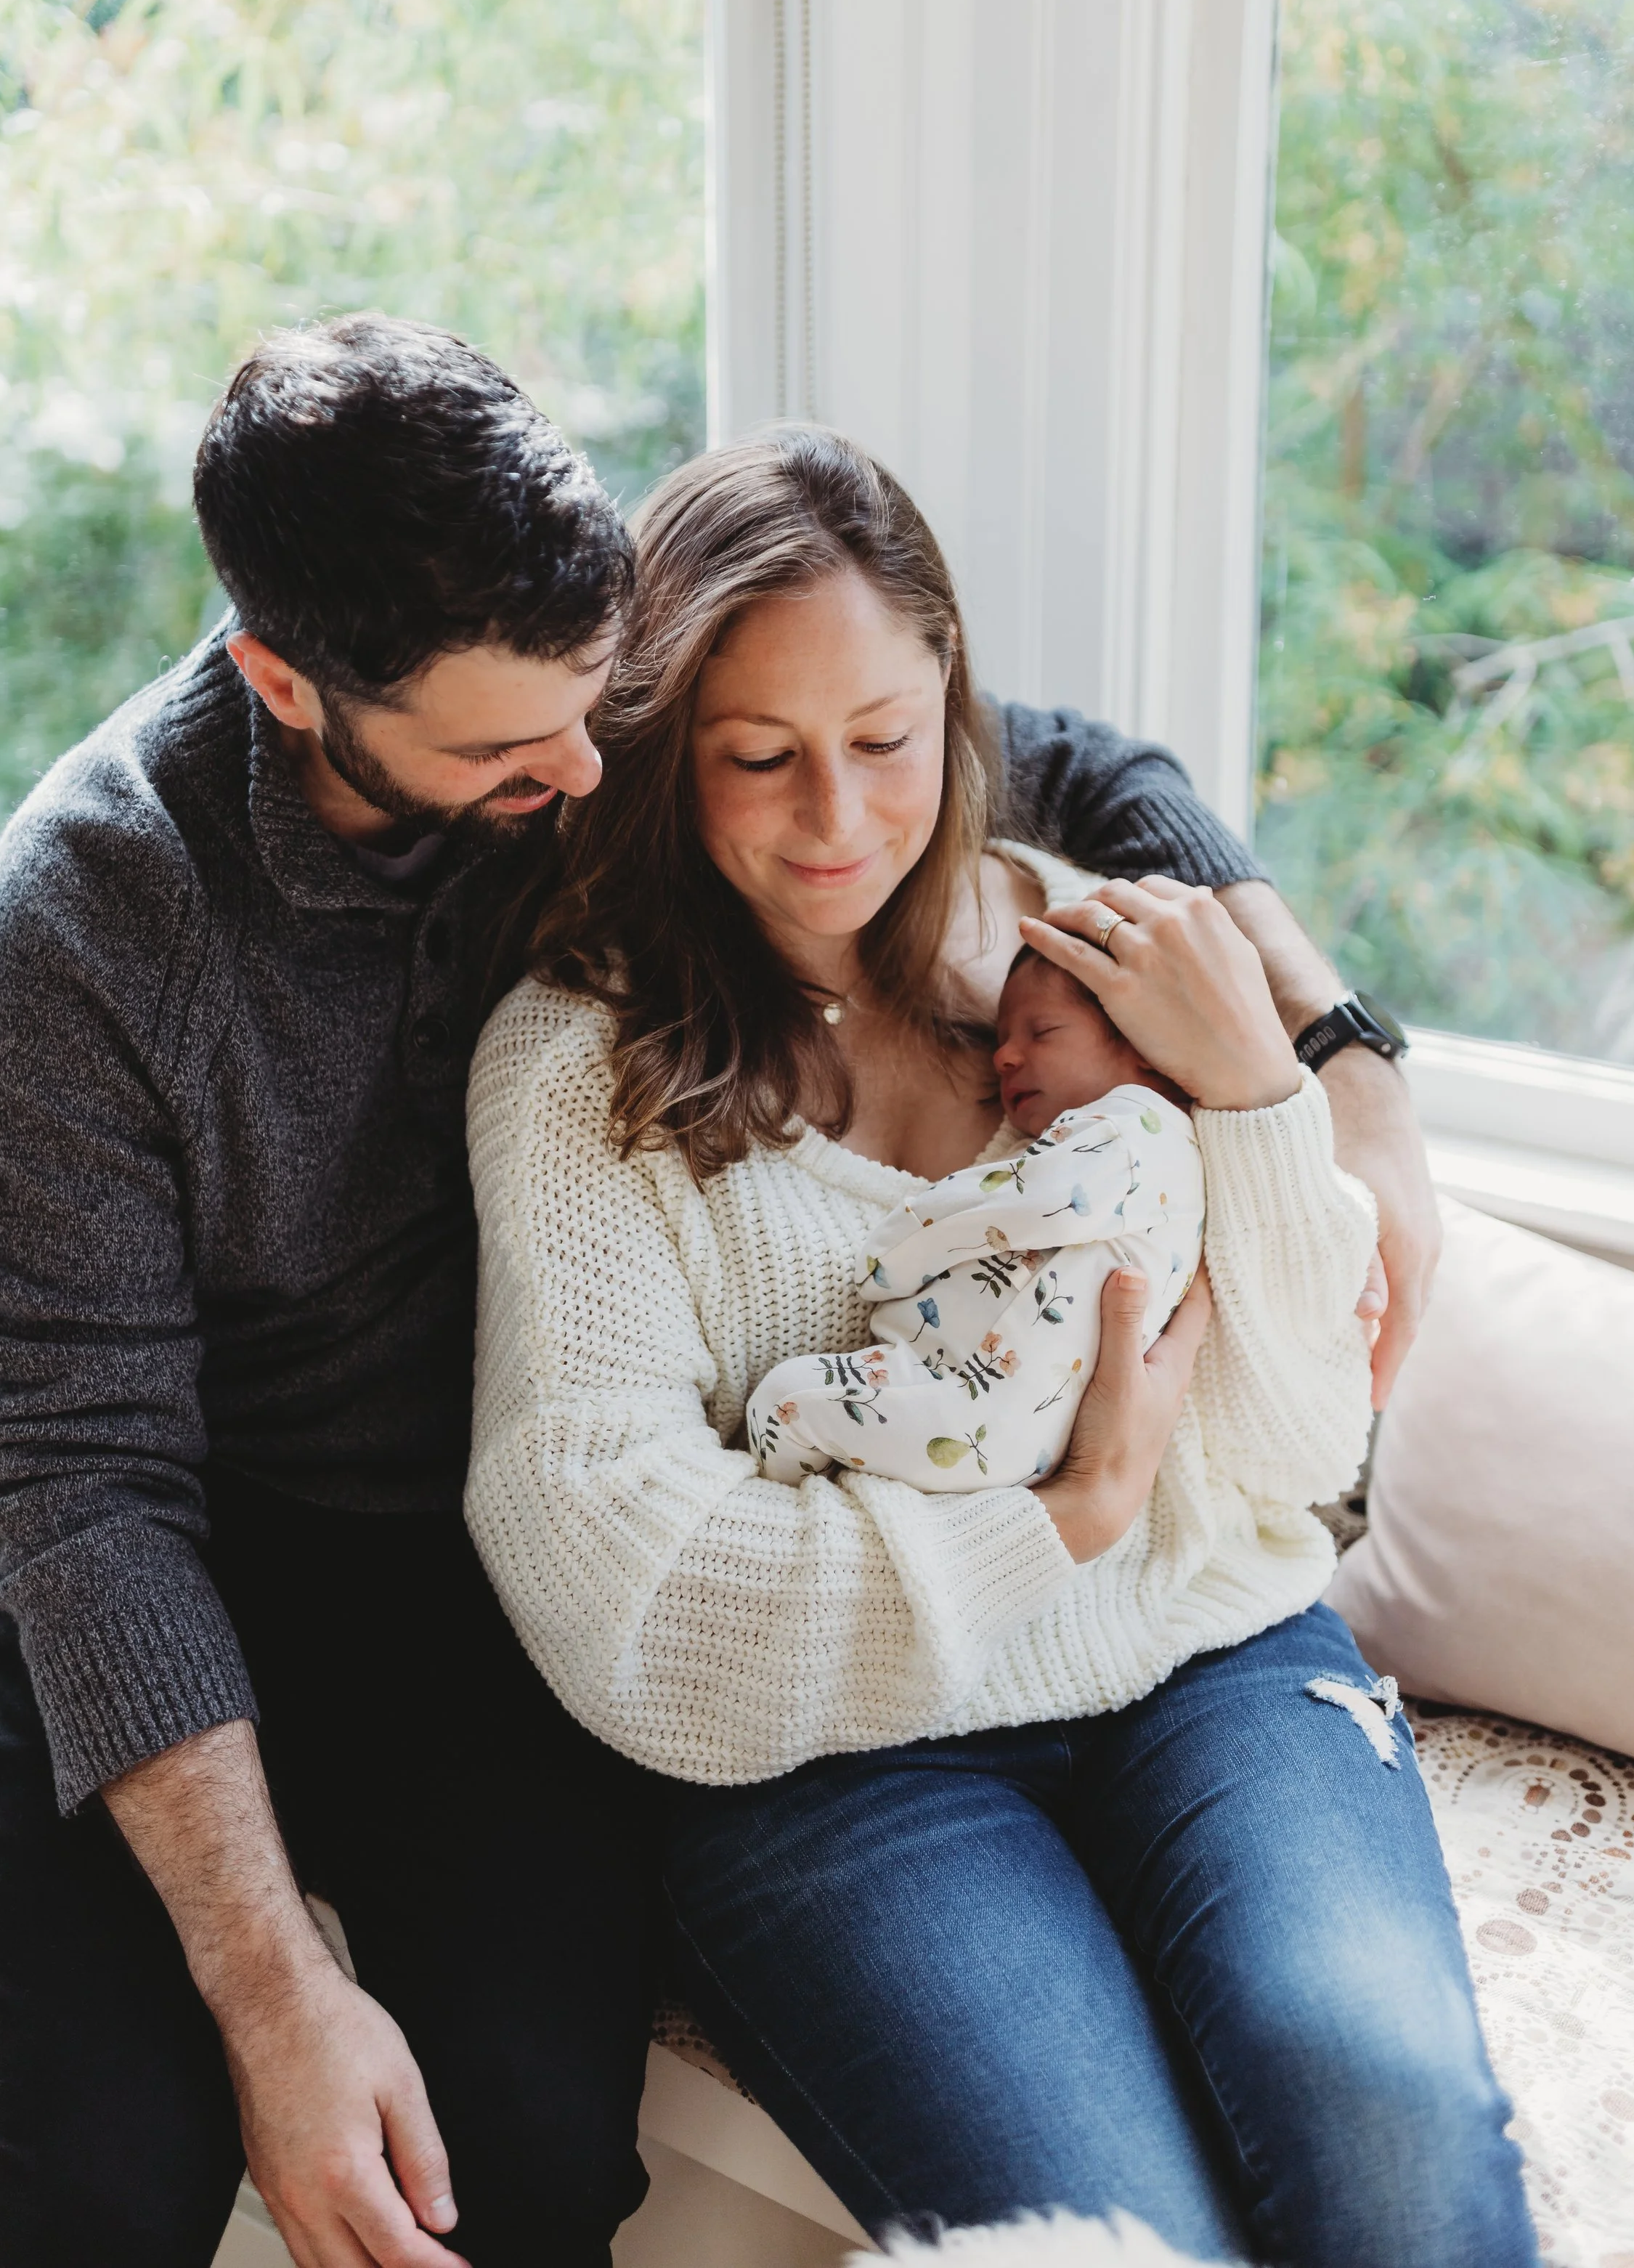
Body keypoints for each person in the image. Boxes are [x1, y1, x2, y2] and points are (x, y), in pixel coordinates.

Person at [0, 325, 1397, 2268]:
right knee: (96, 2179)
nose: (584, 769)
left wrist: (1324, 1044)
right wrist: (274, 1985)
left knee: (526, 2146)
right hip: (201, 1518)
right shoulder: (98, 914)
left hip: (473, 1567)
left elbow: (989, 743)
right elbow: (84, 1478)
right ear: (289, 682)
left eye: (609, 704)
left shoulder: (581, 690)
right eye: (505, 751)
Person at [464, 428, 1537, 2266]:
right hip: (851, 1762)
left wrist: (1268, 1083)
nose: (837, 818)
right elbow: (633, 1610)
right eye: (759, 756)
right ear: (662, 753)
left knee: (1396, 2148)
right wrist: (1065, 1511)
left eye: (884, 738)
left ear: (954, 701)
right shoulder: (583, 1077)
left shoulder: (1096, 956)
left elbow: (1290, 1451)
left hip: (1217, 1660)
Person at [743, 943, 1206, 1489]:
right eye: (1001, 1038)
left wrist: (892, 1255)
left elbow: (1020, 1202)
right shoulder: (1176, 1156)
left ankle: (787, 1511)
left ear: (1147, 1045)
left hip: (969, 1398)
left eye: (1042, 1031)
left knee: (784, 1403)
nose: (1004, 1056)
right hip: (1024, 1435)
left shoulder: (1130, 1129)